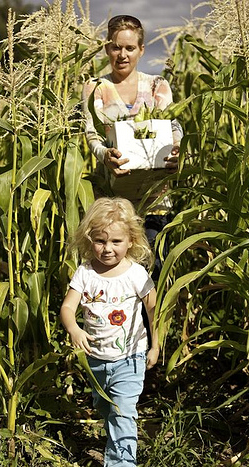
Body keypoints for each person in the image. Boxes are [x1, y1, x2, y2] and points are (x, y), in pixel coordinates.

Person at [60, 197, 159, 467]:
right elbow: (67, 307)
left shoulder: (135, 274)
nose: (108, 248)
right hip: (96, 360)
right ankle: (115, 445)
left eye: (116, 241)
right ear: (90, 240)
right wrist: (74, 328)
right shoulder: (86, 273)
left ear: (131, 241)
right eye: (101, 241)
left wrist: (156, 345)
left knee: (122, 411)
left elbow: (153, 309)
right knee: (105, 408)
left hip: (130, 357)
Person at [81, 14, 183, 279]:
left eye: (129, 48)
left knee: (155, 272)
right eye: (116, 47)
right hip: (112, 201)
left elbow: (173, 126)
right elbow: (92, 135)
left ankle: (154, 322)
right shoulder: (96, 88)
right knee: (116, 278)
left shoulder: (157, 86)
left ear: (141, 50)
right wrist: (106, 156)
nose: (122, 54)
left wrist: (176, 149)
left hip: (155, 197)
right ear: (107, 48)